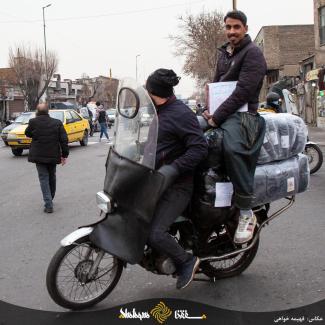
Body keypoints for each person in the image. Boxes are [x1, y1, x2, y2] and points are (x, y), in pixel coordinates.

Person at [203, 10, 267, 244]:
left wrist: (217, 117)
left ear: (245, 29)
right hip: (223, 113)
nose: (231, 32)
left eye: (236, 27)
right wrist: (207, 109)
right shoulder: (224, 54)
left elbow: (243, 92)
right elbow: (217, 84)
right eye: (228, 27)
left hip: (244, 117)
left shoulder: (253, 54)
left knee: (231, 148)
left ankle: (246, 211)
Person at [146, 68, 208, 290]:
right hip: (156, 181)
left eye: (147, 90)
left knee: (155, 233)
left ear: (155, 93)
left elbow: (200, 147)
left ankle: (187, 261)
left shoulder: (180, 114)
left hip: (178, 184)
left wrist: (174, 168)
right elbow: (160, 145)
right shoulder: (159, 112)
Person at [25, 103, 69, 213]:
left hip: (38, 155)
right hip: (53, 154)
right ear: (48, 111)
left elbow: (27, 133)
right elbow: (64, 140)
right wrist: (64, 155)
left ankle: (48, 204)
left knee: (43, 178)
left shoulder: (33, 122)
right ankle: (50, 197)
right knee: (52, 176)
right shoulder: (57, 123)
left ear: (37, 112)